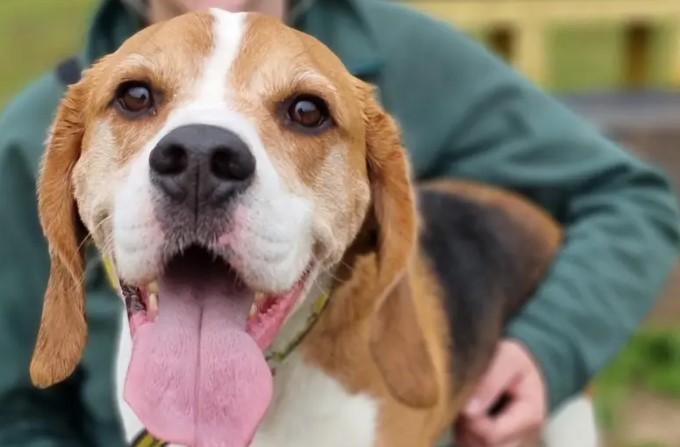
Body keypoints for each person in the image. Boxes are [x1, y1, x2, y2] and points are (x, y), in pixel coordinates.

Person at [0, 0, 677, 446]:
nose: (199, 156)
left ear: (376, 195)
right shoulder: (27, 130)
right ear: (66, 172)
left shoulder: (412, 47)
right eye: (139, 98)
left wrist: (547, 347)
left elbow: (634, 198)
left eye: (303, 112)